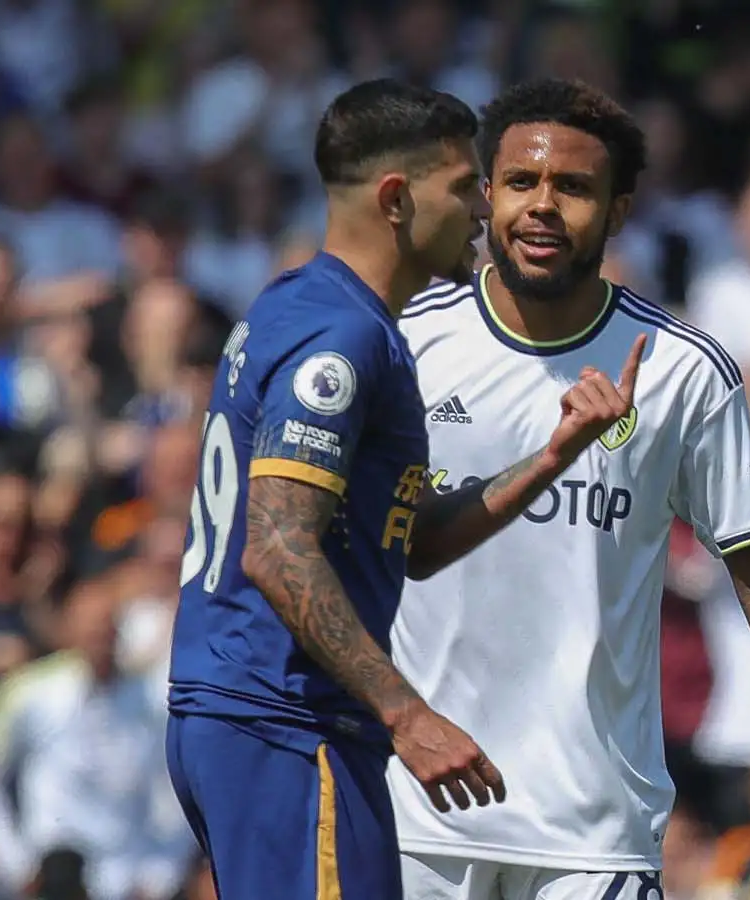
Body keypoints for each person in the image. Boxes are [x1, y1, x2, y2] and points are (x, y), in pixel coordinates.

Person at [388, 77, 750, 900]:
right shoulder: (407, 341)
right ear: (485, 196)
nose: (543, 206)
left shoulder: (685, 370)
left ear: (619, 212)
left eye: (574, 188)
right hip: (416, 819)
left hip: (595, 831)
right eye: (521, 183)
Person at [166, 79, 645, 900]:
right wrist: (408, 714)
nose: (483, 208)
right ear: (397, 199)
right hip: (288, 721)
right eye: (466, 186)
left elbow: (410, 543)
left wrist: (553, 455)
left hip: (261, 719)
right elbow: (278, 551)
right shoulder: (344, 338)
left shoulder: (298, 303)